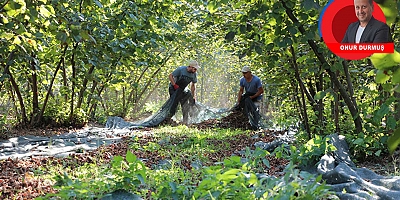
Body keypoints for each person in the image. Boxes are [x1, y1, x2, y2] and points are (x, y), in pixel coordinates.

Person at [168, 60, 199, 124]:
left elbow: (193, 86)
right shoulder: (181, 69)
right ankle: (169, 119)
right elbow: (170, 76)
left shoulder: (194, 75)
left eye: (196, 69)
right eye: (194, 69)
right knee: (174, 104)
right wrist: (174, 85)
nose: (195, 70)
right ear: (190, 67)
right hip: (174, 88)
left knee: (185, 105)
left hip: (182, 89)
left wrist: (193, 96)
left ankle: (185, 122)